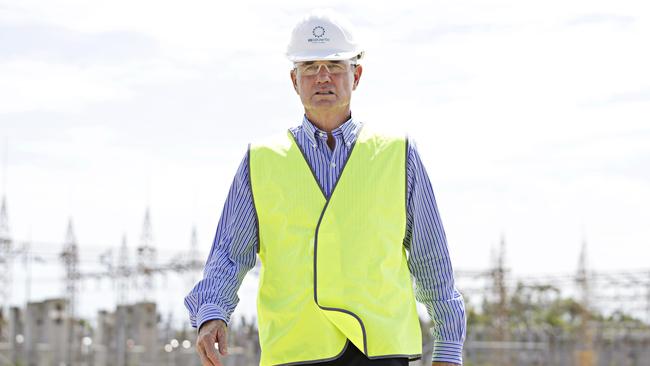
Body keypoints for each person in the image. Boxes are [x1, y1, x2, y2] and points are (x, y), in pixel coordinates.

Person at [184, 9, 466, 366]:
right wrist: (212, 314)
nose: (322, 77)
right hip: (295, 351)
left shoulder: (399, 154)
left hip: (382, 351)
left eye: (334, 65)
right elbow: (228, 252)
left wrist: (448, 344)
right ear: (294, 79)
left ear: (356, 75)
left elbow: (430, 258)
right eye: (309, 66)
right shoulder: (261, 160)